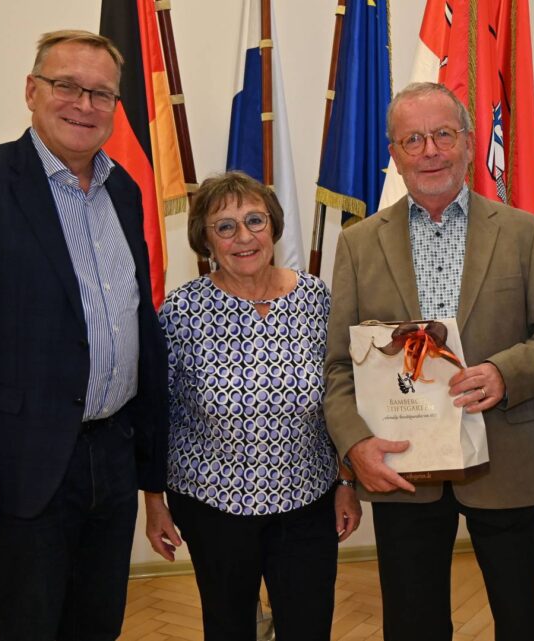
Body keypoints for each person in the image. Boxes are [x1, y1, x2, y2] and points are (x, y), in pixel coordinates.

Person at [0, 30, 168, 640]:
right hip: (20, 462)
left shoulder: (125, 193)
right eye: (66, 86)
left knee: (97, 621)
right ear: (32, 91)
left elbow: (133, 319)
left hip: (110, 454)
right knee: (28, 623)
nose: (84, 104)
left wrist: (147, 462)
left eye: (101, 93)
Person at [324, 82, 534, 641]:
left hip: (504, 460)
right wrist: (354, 444)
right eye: (412, 139)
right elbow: (338, 366)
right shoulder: (358, 244)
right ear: (393, 153)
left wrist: (504, 373)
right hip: (403, 467)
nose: (430, 151)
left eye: (443, 134)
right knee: (412, 624)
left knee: (522, 620)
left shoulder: (523, 233)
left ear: (468, 143)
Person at [143, 171, 362, 641]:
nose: (243, 237)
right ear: (205, 239)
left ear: (274, 225)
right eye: (225, 227)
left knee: (308, 626)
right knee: (227, 627)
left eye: (254, 220)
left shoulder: (317, 299)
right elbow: (157, 416)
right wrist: (154, 501)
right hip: (212, 503)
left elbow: (343, 394)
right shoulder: (180, 313)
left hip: (308, 499)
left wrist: (346, 481)